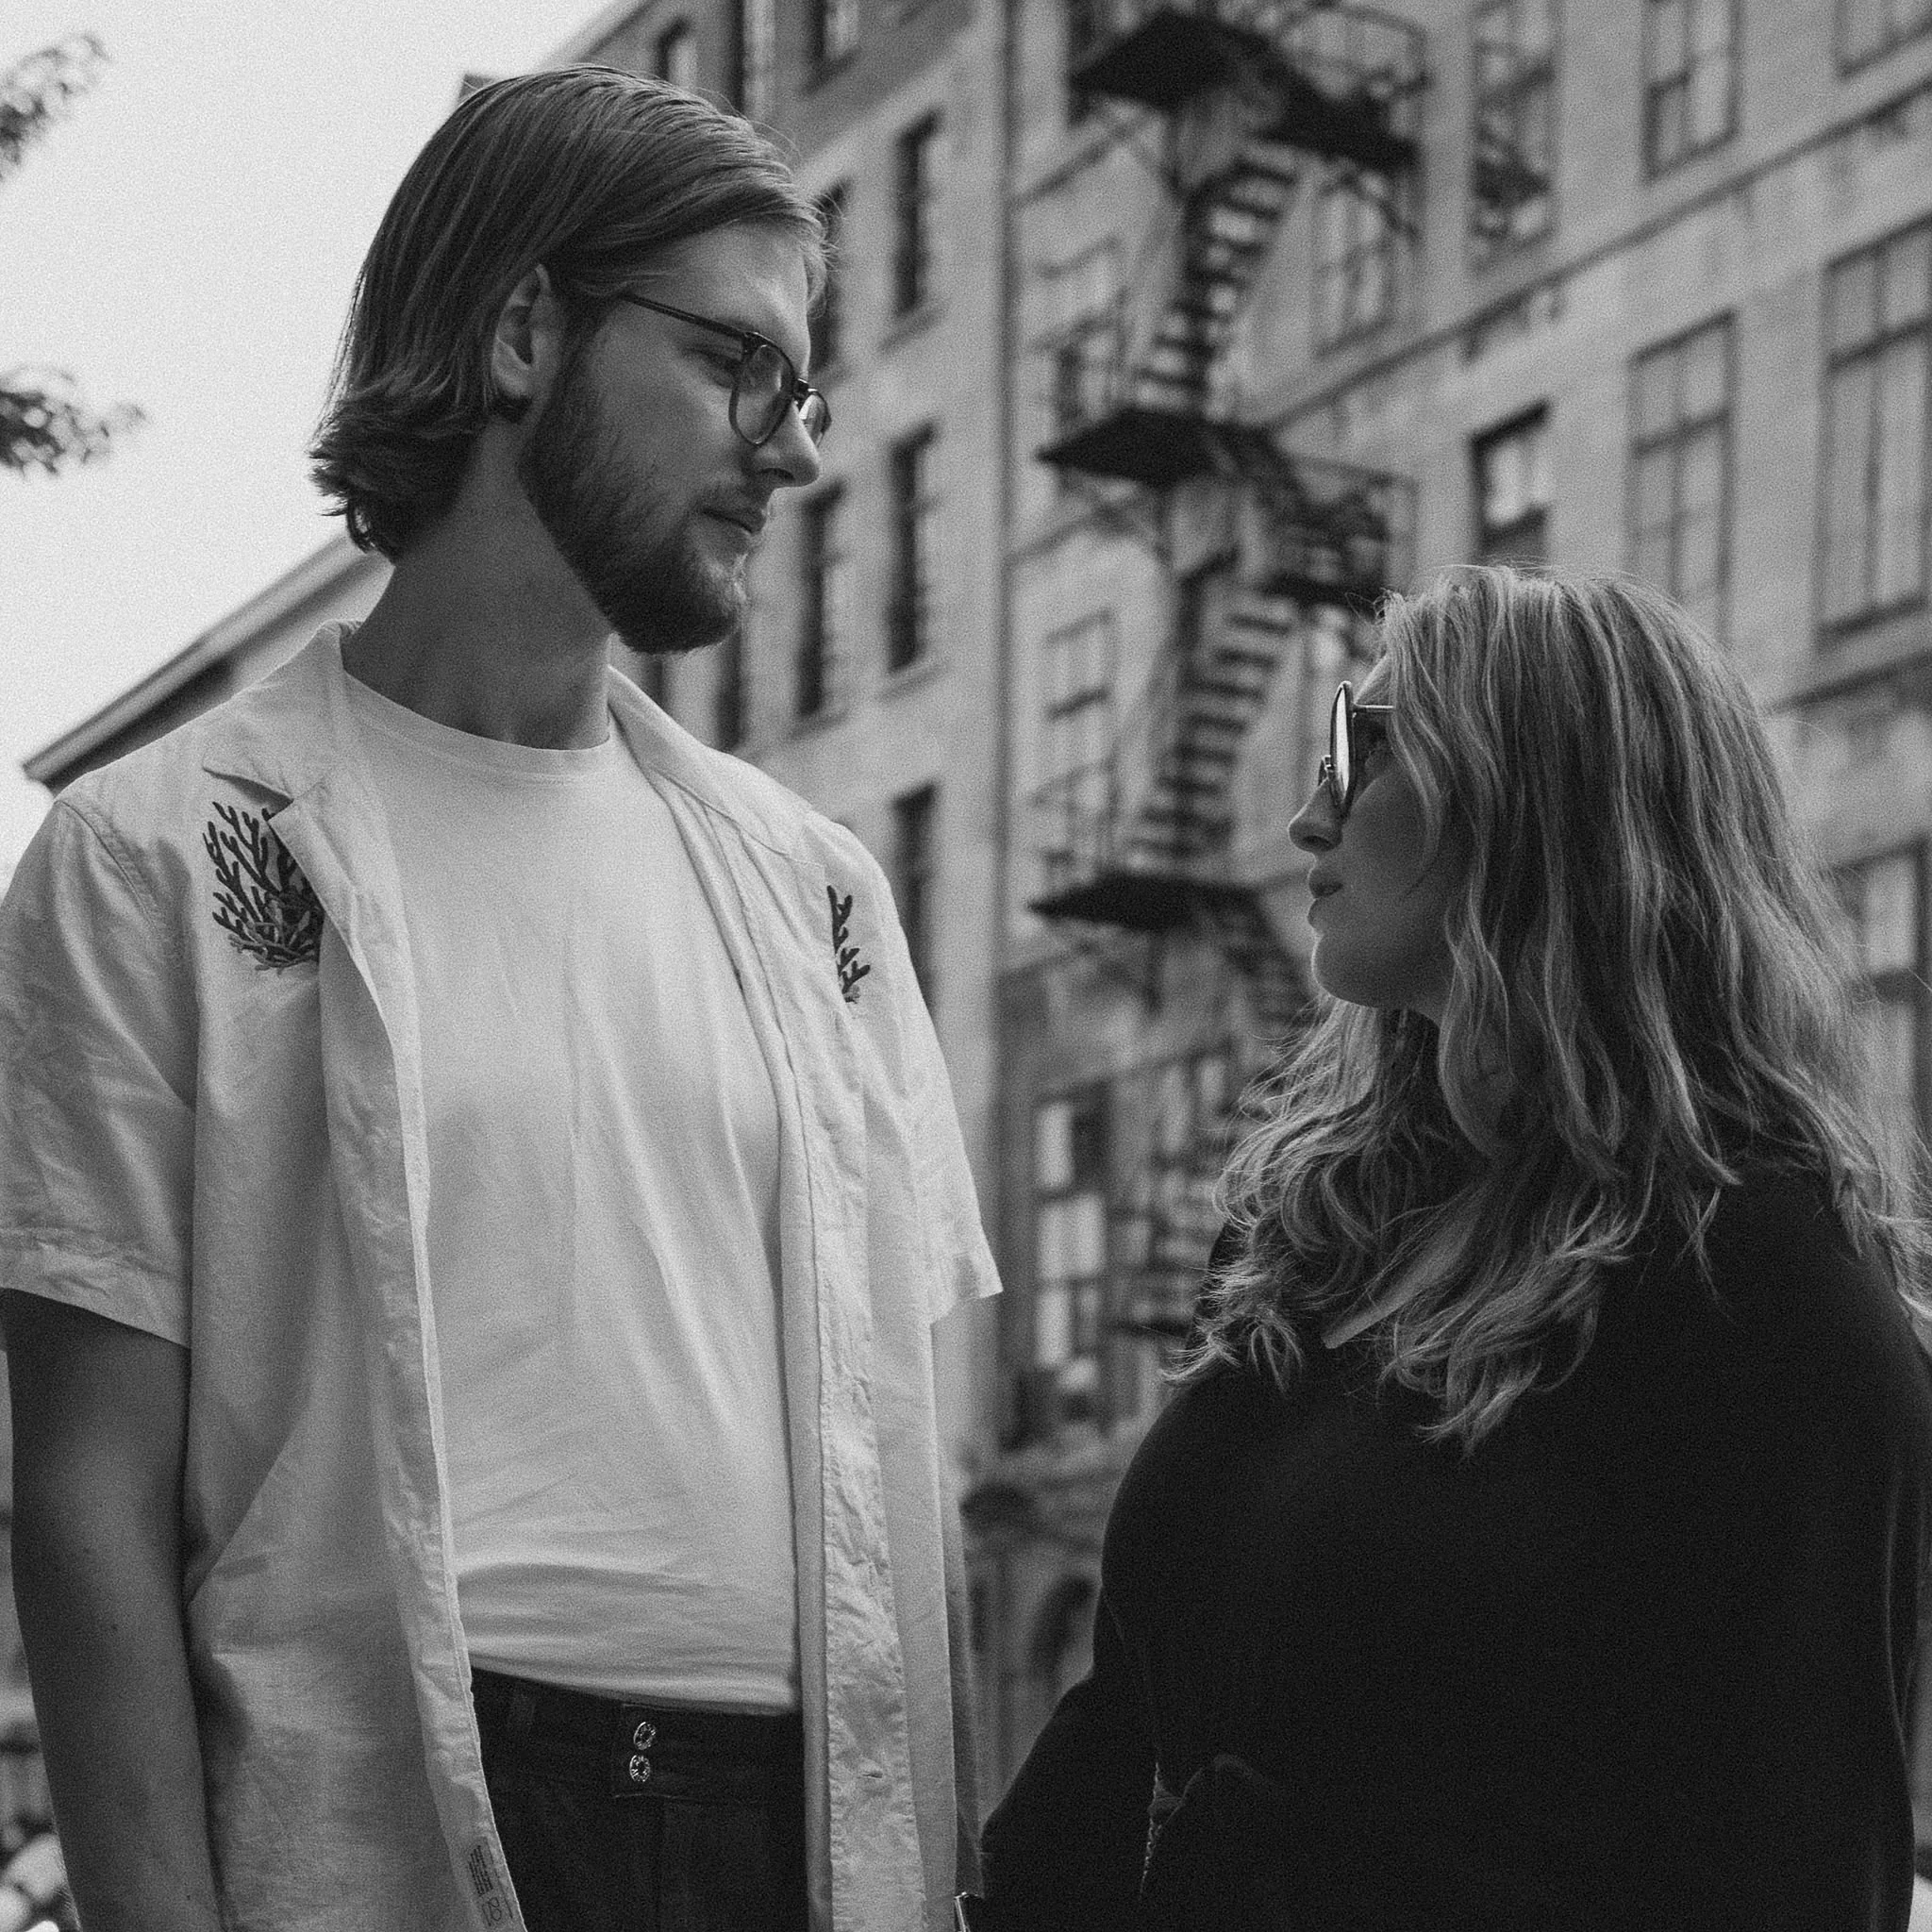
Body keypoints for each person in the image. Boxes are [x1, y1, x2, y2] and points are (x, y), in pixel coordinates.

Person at [0, 68, 997, 1932]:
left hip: (791, 1833)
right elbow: (84, 1504)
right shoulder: (155, 855)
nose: (791, 451)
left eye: (804, 390)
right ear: (526, 329)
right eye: (739, 366)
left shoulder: (819, 897)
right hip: (389, 1821)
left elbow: (905, 1464)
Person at [970, 565, 1932, 1930]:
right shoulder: (1319, 1225)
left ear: (1532, 800)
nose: (1309, 813)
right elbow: (1128, 1709)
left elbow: (1793, 1872)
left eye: (1362, 748)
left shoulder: (1766, 1296)